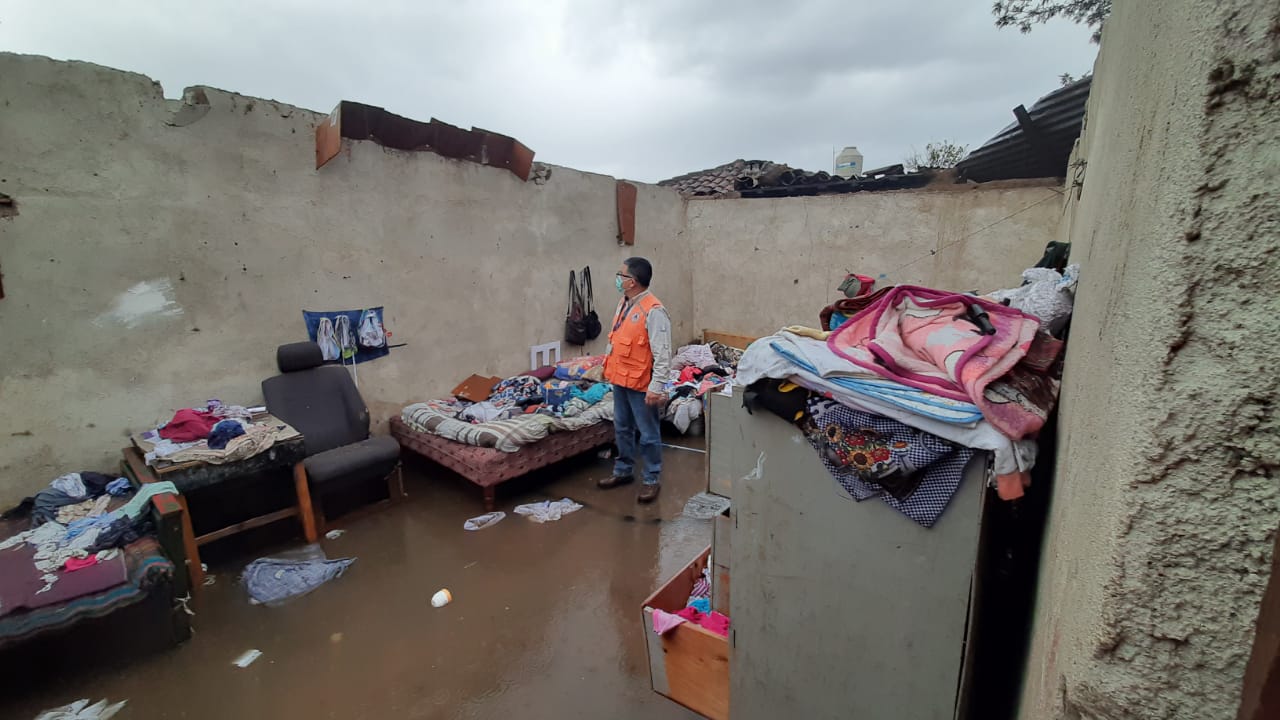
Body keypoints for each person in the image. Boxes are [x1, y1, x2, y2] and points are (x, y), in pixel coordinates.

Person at [599, 257, 671, 503]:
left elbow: (663, 354)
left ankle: (651, 479)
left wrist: (656, 387)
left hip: (642, 385)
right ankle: (623, 471)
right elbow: (616, 337)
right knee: (622, 428)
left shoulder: (654, 311)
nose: (618, 279)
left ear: (633, 281)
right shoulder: (624, 303)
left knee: (648, 434)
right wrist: (606, 365)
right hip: (621, 379)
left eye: (621, 275)